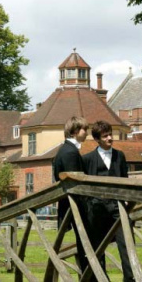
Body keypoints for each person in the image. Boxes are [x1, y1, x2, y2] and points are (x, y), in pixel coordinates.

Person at [83, 120, 134, 282]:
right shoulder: (88, 159)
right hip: (96, 209)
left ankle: (130, 278)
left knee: (126, 242)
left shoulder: (120, 155)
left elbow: (125, 180)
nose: (110, 138)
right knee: (98, 247)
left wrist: (126, 200)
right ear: (97, 139)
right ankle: (100, 278)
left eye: (111, 134)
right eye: (105, 136)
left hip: (117, 207)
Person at [53, 116, 89, 274]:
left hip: (71, 205)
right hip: (74, 206)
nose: (86, 133)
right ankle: (87, 274)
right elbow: (74, 185)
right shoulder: (70, 152)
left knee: (85, 243)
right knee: (85, 243)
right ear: (74, 132)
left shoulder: (66, 149)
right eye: (84, 129)